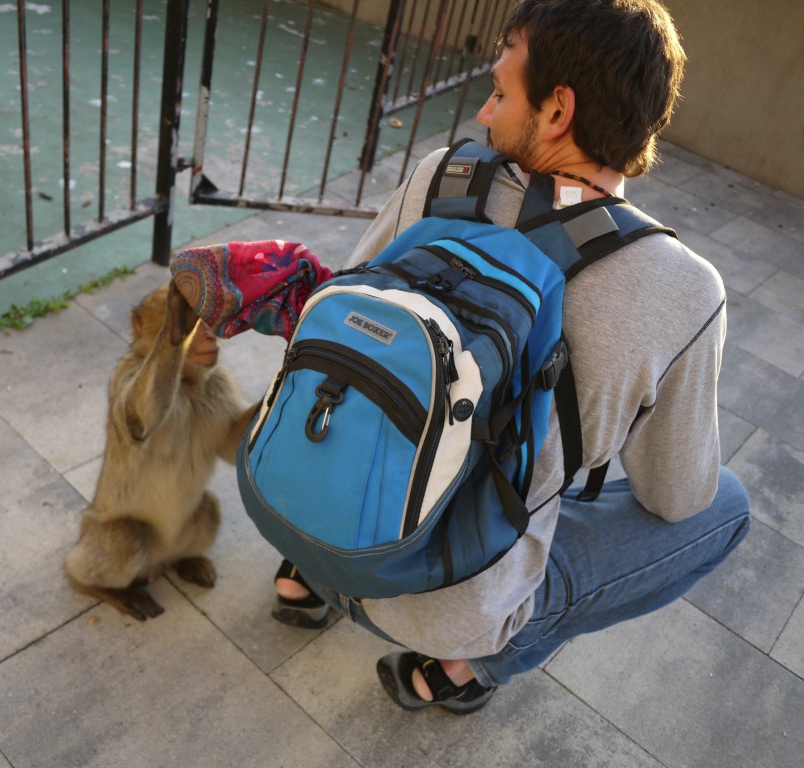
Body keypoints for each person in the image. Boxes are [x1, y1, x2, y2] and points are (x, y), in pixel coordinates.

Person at [271, 0, 751, 714]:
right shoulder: (684, 289)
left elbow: (339, 316)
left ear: (558, 111)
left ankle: (303, 580)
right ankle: (461, 668)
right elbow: (672, 498)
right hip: (434, 606)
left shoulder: (443, 178)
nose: (484, 117)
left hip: (306, 520)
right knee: (725, 503)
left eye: (499, 93)